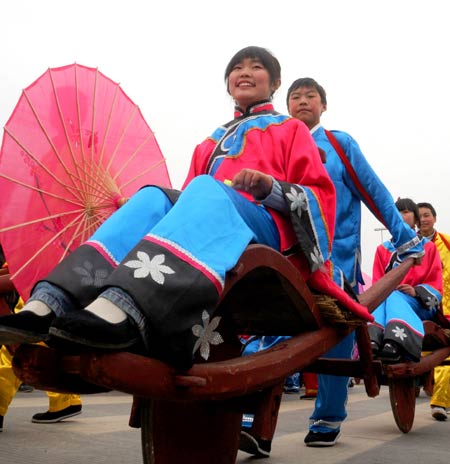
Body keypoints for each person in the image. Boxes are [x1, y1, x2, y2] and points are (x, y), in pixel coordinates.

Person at [0, 48, 372, 388]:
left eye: (257, 67)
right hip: (213, 227)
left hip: (266, 232)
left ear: (274, 83)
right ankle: (51, 302)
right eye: (237, 68)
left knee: (207, 190)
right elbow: (186, 206)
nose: (245, 72)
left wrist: (269, 189)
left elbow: (320, 197)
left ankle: (127, 308)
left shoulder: (290, 129)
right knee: (151, 198)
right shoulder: (207, 143)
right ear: (228, 83)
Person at [239, 77, 425, 455]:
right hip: (285, 255)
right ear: (285, 104)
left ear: (324, 106)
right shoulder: (278, 141)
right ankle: (250, 413)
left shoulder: (339, 145)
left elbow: (375, 193)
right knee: (268, 330)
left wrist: (405, 239)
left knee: (335, 338)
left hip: (334, 260)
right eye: (295, 96)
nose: (303, 101)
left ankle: (327, 417)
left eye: (311, 96)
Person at [369, 198, 442, 361]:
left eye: (406, 211)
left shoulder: (428, 248)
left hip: (419, 304)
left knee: (394, 296)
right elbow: (377, 284)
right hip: (387, 301)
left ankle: (396, 341)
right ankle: (372, 340)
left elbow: (436, 284)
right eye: (397, 212)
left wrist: (415, 291)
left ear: (416, 219)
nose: (401, 215)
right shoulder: (382, 250)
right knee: (381, 300)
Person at [418, 201, 450, 421]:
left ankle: (440, 402)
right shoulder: (410, 245)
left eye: (427, 215)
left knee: (445, 352)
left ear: (435, 218)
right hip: (420, 305)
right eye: (420, 216)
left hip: (447, 307)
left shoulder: (447, 243)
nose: (424, 219)